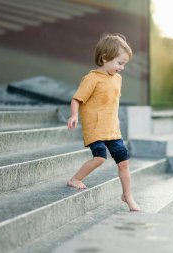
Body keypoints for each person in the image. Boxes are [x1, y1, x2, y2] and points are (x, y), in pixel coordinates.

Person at [67, 33, 140, 212]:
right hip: (95, 127)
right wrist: (74, 115)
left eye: (124, 64)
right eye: (119, 63)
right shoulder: (92, 78)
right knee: (100, 157)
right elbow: (77, 98)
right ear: (105, 58)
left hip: (112, 128)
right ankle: (75, 179)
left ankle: (127, 195)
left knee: (124, 162)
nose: (122, 68)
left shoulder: (118, 79)